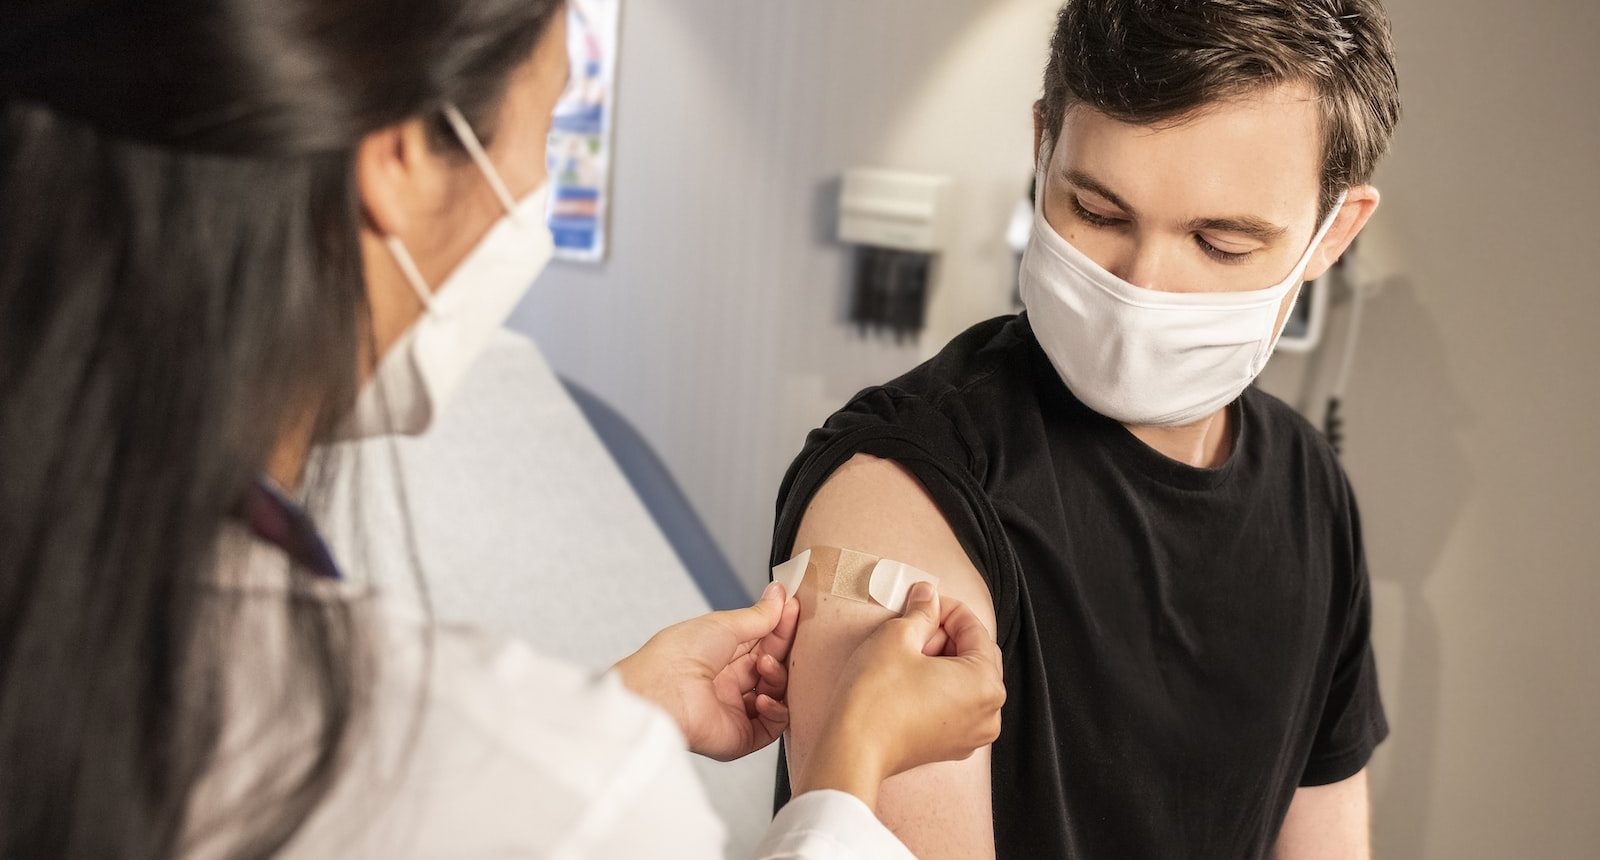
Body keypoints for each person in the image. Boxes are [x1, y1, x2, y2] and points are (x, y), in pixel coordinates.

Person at [0, 2, 1004, 858]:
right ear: (398, 156)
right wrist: (846, 774)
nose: (538, 183)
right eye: (554, 123)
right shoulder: (562, 789)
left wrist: (614, 706)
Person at [771, 0, 1401, 857]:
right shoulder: (905, 486)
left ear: (1335, 233)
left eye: (1219, 242)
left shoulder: (1312, 492)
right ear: (1044, 147)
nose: (1141, 289)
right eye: (1098, 212)